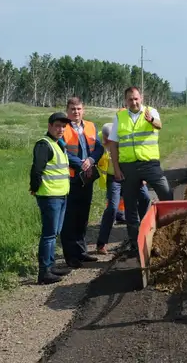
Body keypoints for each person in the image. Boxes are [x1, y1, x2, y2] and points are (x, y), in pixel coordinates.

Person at [110, 87, 173, 254]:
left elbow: (159, 125)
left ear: (141, 97)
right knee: (130, 206)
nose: (134, 102)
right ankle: (134, 243)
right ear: (125, 101)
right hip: (128, 167)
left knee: (166, 193)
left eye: (136, 98)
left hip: (149, 164)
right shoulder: (120, 117)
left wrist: (151, 119)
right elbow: (113, 144)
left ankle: (167, 231)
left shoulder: (151, 111)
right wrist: (116, 168)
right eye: (130, 99)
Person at [29, 112, 73, 284]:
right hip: (49, 196)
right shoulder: (44, 145)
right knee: (49, 234)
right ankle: (44, 271)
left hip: (61, 195)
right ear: (49, 126)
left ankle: (51, 265)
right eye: (57, 126)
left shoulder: (59, 144)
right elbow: (36, 170)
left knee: (55, 232)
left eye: (63, 126)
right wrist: (34, 188)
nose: (61, 129)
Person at [61, 96, 105, 268]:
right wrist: (81, 163)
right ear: (68, 111)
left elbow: (99, 148)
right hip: (71, 178)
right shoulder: (63, 128)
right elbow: (63, 150)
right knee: (70, 217)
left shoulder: (91, 126)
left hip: (87, 178)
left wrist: (92, 160)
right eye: (73, 109)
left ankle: (81, 251)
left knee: (83, 216)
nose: (76, 112)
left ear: (83, 110)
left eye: (79, 109)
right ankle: (70, 256)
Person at [95, 122, 151, 254]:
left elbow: (140, 155)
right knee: (112, 208)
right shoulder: (98, 140)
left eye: (110, 140)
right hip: (113, 178)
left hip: (131, 175)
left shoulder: (127, 139)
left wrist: (142, 176)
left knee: (145, 197)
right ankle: (101, 243)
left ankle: (145, 231)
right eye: (105, 139)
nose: (107, 142)